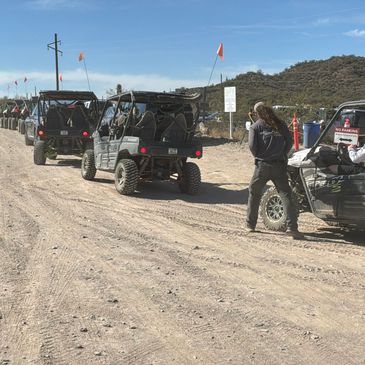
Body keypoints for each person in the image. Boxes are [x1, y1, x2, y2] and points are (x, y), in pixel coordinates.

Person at [246, 102, 303, 239]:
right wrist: (282, 154)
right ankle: (292, 227)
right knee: (286, 195)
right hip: (279, 165)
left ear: (257, 113)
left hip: (262, 166)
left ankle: (250, 225)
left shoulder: (255, 127)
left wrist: (260, 155)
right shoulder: (281, 124)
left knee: (254, 192)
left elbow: (252, 146)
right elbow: (289, 142)